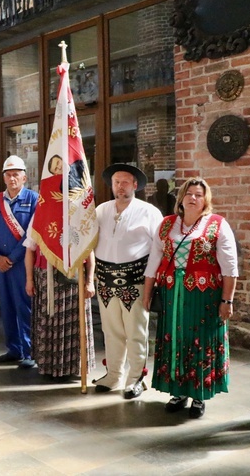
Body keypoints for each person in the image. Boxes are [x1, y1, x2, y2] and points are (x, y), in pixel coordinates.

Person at [143, 177, 238, 419]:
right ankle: (178, 391)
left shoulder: (218, 225)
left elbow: (230, 267)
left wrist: (227, 300)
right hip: (171, 295)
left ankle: (199, 394)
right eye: (189, 193)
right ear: (181, 198)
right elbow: (153, 262)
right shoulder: (166, 225)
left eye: (198, 194)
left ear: (206, 200)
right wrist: (147, 294)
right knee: (174, 338)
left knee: (200, 340)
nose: (193, 198)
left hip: (204, 297)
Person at [92, 164, 163, 398]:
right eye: (115, 182)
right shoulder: (101, 210)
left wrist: (151, 283)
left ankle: (136, 379)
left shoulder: (149, 212)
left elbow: (159, 249)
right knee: (111, 331)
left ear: (135, 185)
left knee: (135, 331)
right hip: (104, 280)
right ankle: (113, 375)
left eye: (124, 182)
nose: (119, 186)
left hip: (135, 281)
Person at [0, 155, 38, 368]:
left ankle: (30, 351)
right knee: (6, 308)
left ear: (24, 177)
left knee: (25, 307)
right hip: (1, 265)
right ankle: (13, 349)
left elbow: (31, 234)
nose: (12, 178)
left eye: (16, 174)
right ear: (4, 178)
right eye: (8, 175)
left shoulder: (34, 199)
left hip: (21, 264)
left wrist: (12, 258)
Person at [25, 243, 96, 380]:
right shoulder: (39, 220)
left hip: (74, 275)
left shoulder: (78, 220)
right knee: (48, 322)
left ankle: (72, 367)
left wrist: (90, 281)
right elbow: (30, 250)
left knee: (73, 324)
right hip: (46, 278)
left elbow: (89, 249)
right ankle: (49, 366)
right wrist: (29, 279)